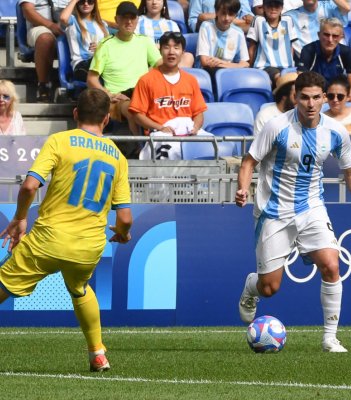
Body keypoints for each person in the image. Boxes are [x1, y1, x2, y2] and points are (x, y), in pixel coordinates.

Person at [236, 71, 351, 353]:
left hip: (312, 207)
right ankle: (251, 288)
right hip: (274, 211)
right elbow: (248, 161)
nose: (311, 104)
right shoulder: (276, 126)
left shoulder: (335, 131)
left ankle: (330, 337)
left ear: (324, 99)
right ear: (295, 98)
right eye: (304, 97)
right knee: (270, 288)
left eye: (317, 97)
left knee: (331, 264)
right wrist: (243, 188)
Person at [0, 88, 132, 372]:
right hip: (88, 247)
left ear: (75, 114)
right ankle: (97, 352)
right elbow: (125, 217)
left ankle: (97, 351)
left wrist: (20, 218)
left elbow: (29, 186)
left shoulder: (59, 140)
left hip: (49, 240)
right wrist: (122, 233)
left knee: (3, 284)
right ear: (107, 119)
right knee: (80, 288)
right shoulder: (118, 157)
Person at [87, 1, 162, 158]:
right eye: (124, 18)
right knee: (132, 108)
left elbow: (161, 66)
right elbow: (91, 79)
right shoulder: (105, 45)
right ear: (117, 20)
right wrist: (108, 94)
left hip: (141, 93)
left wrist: (148, 76)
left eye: (132, 18)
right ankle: (141, 149)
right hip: (117, 98)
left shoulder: (145, 41)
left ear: (137, 20)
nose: (129, 22)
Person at [129, 31, 208, 159]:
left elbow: (199, 112)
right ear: (160, 51)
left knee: (210, 144)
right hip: (160, 133)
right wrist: (160, 127)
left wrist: (196, 127)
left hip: (187, 132)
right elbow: (137, 115)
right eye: (166, 47)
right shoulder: (146, 80)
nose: (171, 52)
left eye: (176, 48)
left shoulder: (191, 80)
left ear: (183, 52)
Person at [297, 17, 351, 105]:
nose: (330, 40)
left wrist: (337, 100)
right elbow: (301, 84)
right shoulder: (308, 50)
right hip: (315, 97)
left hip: (338, 96)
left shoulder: (346, 52)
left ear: (341, 37)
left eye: (335, 36)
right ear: (319, 35)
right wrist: (321, 100)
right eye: (326, 35)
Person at [19, 0, 64, 102]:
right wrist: (51, 25)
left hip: (68, 25)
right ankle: (44, 85)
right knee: (45, 38)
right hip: (40, 27)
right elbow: (27, 10)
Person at [247, 0, 296, 86]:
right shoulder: (258, 20)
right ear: (264, 7)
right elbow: (252, 46)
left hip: (287, 66)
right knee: (279, 77)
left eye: (277, 5)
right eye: (270, 5)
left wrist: (291, 64)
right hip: (265, 66)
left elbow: (290, 46)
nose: (273, 9)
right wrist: (251, 68)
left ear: (281, 7)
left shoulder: (288, 20)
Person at [60, 0, 110, 82]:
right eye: (82, 1)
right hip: (82, 65)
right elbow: (63, 18)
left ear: (94, 3)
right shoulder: (72, 21)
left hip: (101, 63)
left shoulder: (102, 24)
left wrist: (101, 47)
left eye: (90, 1)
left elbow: (109, 47)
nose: (86, 4)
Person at [197, 0, 250, 76]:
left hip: (229, 72)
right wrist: (233, 65)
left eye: (231, 14)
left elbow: (245, 63)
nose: (226, 18)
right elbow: (205, 61)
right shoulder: (206, 27)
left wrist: (224, 64)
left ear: (236, 15)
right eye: (223, 13)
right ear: (216, 12)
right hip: (208, 72)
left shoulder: (239, 33)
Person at [136, 0, 195, 67]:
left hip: (169, 56)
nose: (154, 2)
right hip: (146, 58)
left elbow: (178, 45)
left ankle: (171, 74)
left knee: (188, 57)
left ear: (163, 2)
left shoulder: (172, 24)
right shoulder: (137, 22)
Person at [284, 0, 350, 58]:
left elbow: (347, 8)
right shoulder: (291, 16)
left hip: (334, 59)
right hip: (308, 63)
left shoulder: (328, 7)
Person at [188, 0, 253, 33]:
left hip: (235, 33)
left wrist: (211, 17)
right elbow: (194, 22)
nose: (227, 18)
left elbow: (249, 21)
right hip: (209, 32)